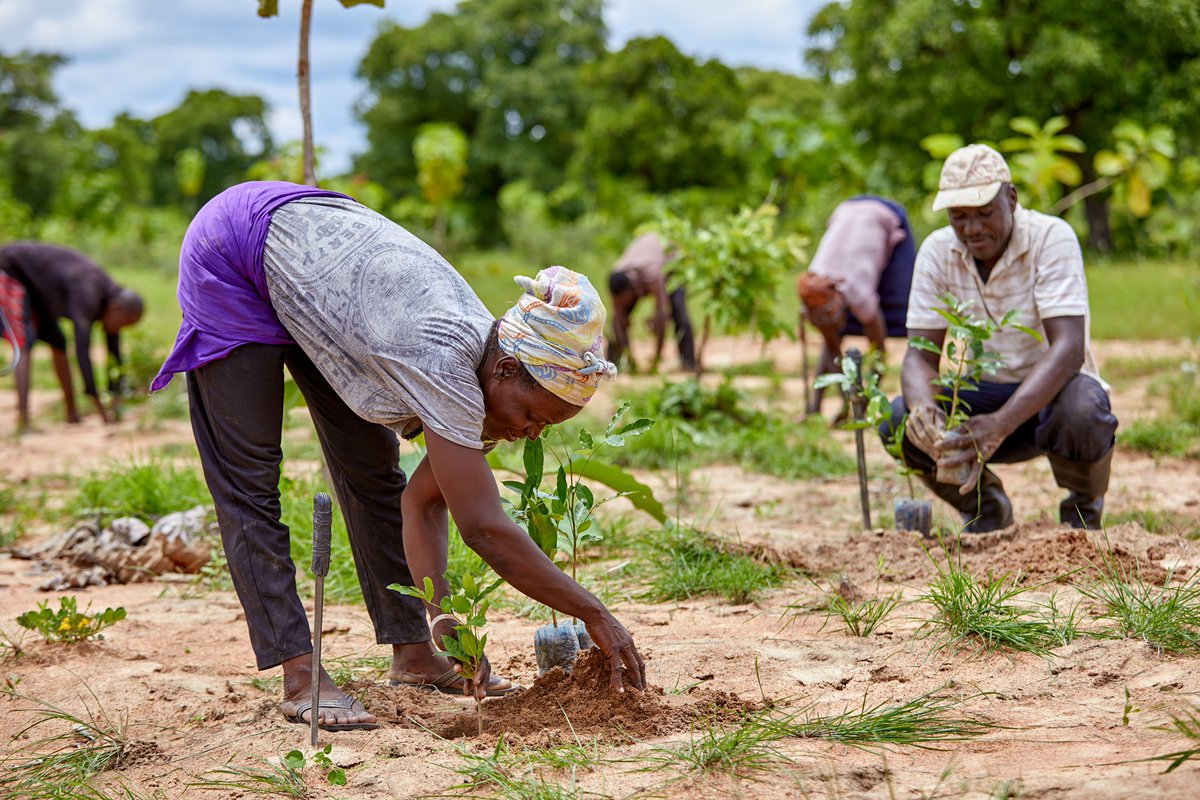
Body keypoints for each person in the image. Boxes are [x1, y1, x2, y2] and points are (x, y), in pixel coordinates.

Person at [151, 181, 646, 732]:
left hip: (331, 282)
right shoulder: (442, 360)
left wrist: (441, 619)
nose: (530, 435)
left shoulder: (491, 368)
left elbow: (423, 501)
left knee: (372, 472)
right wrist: (594, 612)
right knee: (250, 483)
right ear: (506, 369)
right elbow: (483, 527)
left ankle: (414, 655)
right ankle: (300, 676)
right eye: (535, 418)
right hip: (238, 250)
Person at [879, 144, 1117, 532]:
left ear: (1011, 198)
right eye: (959, 216)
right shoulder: (938, 252)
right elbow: (919, 356)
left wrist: (1001, 423)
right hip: (982, 395)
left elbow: (1069, 348)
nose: (972, 228)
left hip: (1050, 400)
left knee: (1083, 409)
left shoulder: (1050, 238)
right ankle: (985, 509)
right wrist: (924, 410)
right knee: (899, 418)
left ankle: (1082, 513)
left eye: (985, 213)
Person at [0, 243, 144, 433]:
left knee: (59, 342)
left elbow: (114, 353)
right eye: (122, 324)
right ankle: (23, 422)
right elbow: (82, 350)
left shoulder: (110, 301)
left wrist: (116, 394)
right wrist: (96, 400)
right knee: (24, 342)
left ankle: (72, 415)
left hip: (36, 289)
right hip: (11, 270)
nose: (119, 329)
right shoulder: (89, 292)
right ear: (115, 308)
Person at [797, 197, 915, 417]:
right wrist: (846, 403)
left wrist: (862, 403)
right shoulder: (815, 287)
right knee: (833, 336)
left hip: (886, 214)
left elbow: (879, 352)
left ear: (840, 302)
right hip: (844, 210)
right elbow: (832, 348)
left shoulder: (857, 290)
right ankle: (814, 409)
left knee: (902, 314)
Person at [606, 232, 697, 373]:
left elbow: (661, 316)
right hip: (643, 259)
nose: (623, 304)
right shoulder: (617, 275)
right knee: (615, 323)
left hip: (671, 263)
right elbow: (618, 320)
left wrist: (656, 359)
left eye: (625, 300)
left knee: (679, 311)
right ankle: (614, 365)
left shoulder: (652, 275)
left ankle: (688, 362)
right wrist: (629, 358)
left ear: (632, 290)